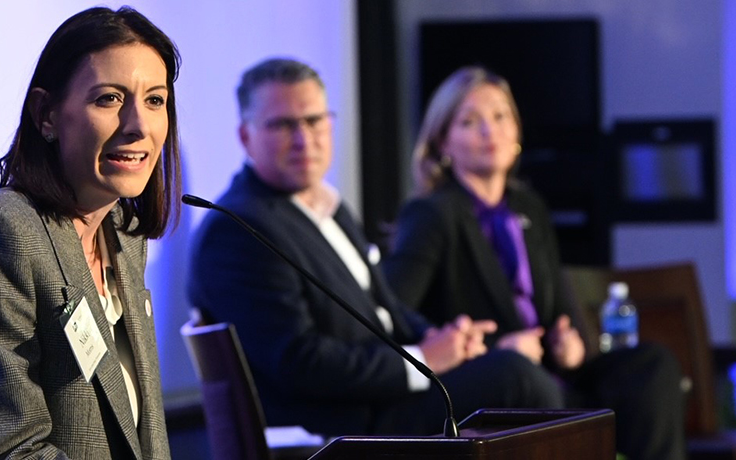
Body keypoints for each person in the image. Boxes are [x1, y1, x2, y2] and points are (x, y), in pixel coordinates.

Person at [186, 57, 562, 437]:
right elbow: (299, 362)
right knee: (517, 379)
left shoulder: (326, 205)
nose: (304, 139)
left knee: (521, 371)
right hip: (341, 423)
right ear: (246, 137)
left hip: (384, 397)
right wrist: (424, 359)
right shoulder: (238, 228)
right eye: (283, 125)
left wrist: (442, 337)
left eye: (315, 121)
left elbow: (385, 309)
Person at [382, 66, 686, 460]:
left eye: (500, 116)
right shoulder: (432, 214)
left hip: (552, 375)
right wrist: (494, 347)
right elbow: (393, 313)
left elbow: (557, 306)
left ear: (517, 130)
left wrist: (570, 343)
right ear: (442, 142)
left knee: (652, 366)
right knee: (526, 380)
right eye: (470, 122)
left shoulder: (529, 208)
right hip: (493, 386)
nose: (490, 131)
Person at [0, 7, 180, 459]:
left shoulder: (123, 234)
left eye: (155, 100)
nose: (139, 125)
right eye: (110, 99)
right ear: (47, 114)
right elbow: (10, 448)